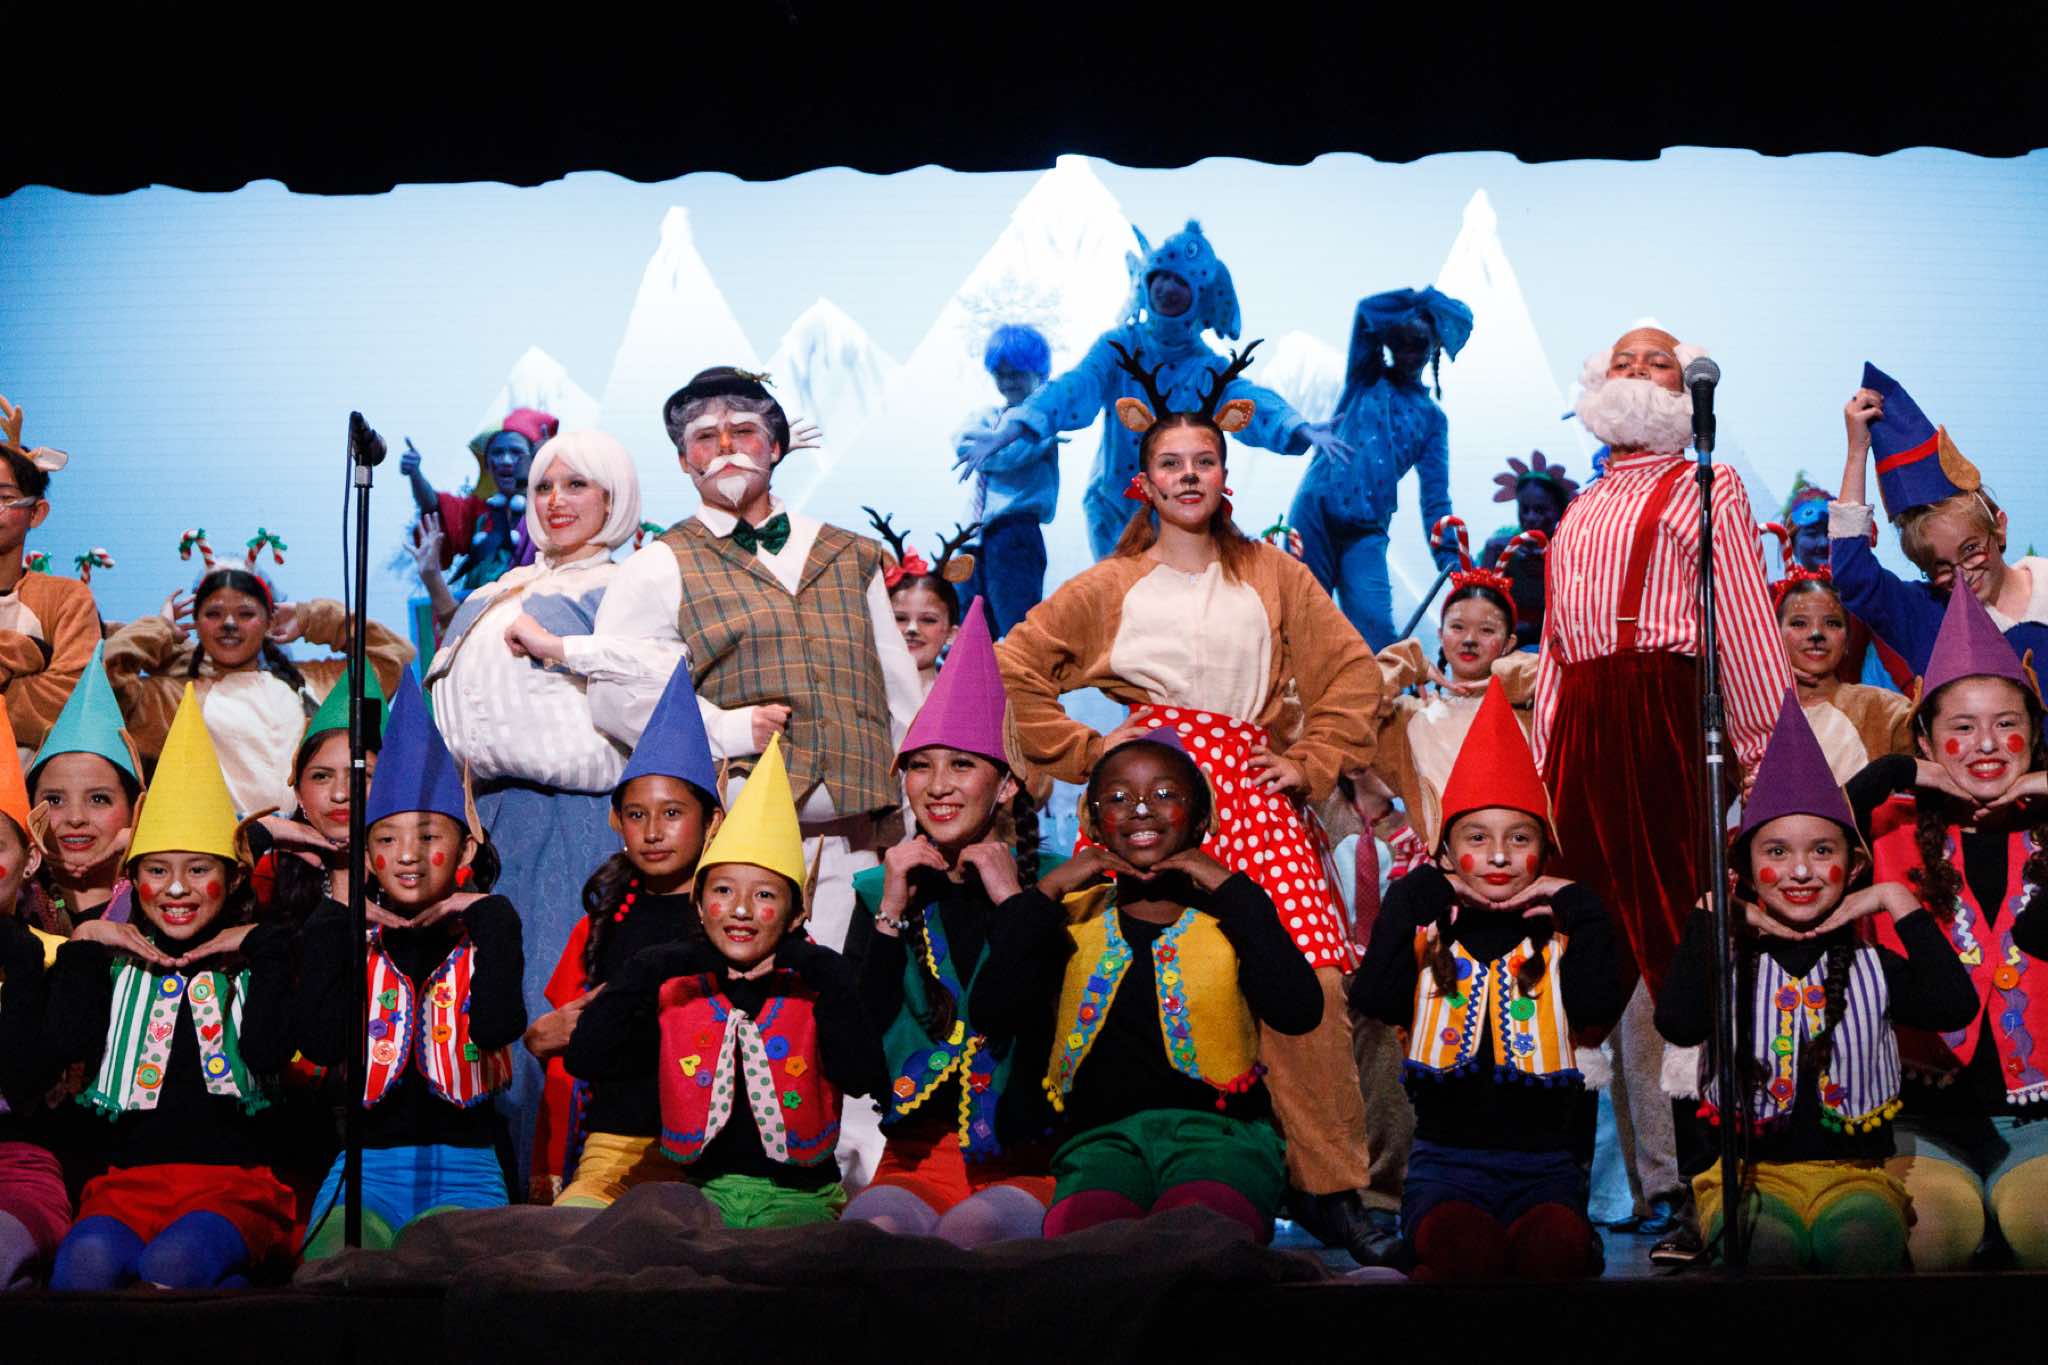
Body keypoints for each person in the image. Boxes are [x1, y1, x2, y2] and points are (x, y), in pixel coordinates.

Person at [995, 341, 1386, 1259]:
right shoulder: (1112, 584)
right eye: (1170, 462)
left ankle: (1329, 1185)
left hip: (1248, 784)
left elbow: (1352, 672)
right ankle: (1111, 1146)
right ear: (1143, 479)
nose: (1188, 475)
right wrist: (1092, 751)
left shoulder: (1273, 573)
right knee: (1117, 957)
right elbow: (1016, 663)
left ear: (1224, 471)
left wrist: (1312, 758)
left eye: (1203, 460)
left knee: (1311, 973)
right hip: (1148, 792)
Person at [1534, 325, 1790, 1262]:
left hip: (1662, 718)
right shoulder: (1582, 503)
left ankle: (1699, 1182)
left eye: (1660, 362)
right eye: (1625, 360)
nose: (1639, 372)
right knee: (1583, 949)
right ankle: (1583, 1185)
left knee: (1675, 946)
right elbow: (1557, 648)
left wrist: (1767, 761)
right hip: (1584, 727)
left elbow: (1744, 625)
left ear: (1686, 391)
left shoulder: (1706, 485)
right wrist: (1541, 765)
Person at [1659, 690, 1977, 1272]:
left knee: (1860, 1244)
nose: (1801, 871)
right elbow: (1679, 1022)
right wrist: (1713, 908)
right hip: (1749, 1180)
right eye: (1777, 852)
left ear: (1852, 867)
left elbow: (1955, 1005)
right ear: (1747, 868)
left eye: (1822, 850)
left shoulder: (1873, 966)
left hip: (1853, 1178)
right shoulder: (1730, 967)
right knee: (1767, 1251)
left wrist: (1893, 897)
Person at [973, 731, 1321, 1242]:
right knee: (1088, 1243)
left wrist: (1228, 884)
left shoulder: (1231, 917)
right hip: (1101, 1143)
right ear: (1094, 822)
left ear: (1201, 819)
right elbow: (991, 1010)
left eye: (1164, 794)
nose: (1140, 809)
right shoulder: (1068, 919)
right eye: (1117, 798)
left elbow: (1299, 1010)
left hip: (1221, 1140)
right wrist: (1050, 887)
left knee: (1196, 1235)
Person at [419, 429, 644, 1180]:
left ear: (614, 497)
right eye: (545, 486)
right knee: (481, 1013)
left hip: (580, 818)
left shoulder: (627, 590)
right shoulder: (495, 591)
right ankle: (495, 1188)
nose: (555, 501)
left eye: (577, 485)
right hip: (488, 820)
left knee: (553, 1004)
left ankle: (561, 1189)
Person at [1350, 680, 1625, 1280]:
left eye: (1519, 839)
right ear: (1447, 850)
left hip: (1547, 1171)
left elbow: (1600, 1001)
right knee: (1466, 1253)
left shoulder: (1561, 937)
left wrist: (1577, 901)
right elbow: (1372, 995)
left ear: (1543, 852)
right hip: (1447, 1170)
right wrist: (1424, 886)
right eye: (1477, 838)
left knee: (1552, 1252)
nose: (1499, 856)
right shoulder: (1430, 931)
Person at [567, 737, 885, 1228]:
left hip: (798, 1200)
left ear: (796, 912)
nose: (739, 909)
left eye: (764, 896)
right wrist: (664, 961)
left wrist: (815, 964)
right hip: (699, 1196)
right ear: (699, 905)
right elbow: (587, 1057)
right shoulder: (679, 993)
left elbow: (864, 1075)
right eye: (722, 890)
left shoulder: (816, 990)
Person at [44, 686, 297, 1290]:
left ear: (232, 878)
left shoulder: (254, 964)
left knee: (174, 1268)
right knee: (80, 1274)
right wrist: (86, 939)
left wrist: (259, 942)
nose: (176, 889)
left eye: (198, 870)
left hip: (231, 1186)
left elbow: (266, 1053)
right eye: (157, 870)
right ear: (133, 878)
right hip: (128, 1187)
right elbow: (64, 1045)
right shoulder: (113, 967)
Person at [840, 602, 1059, 1245]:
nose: (937, 786)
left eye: (961, 765)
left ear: (1006, 785)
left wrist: (1012, 901)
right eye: (920, 765)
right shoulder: (879, 892)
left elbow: (1034, 1017)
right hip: (916, 1158)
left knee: (973, 1236)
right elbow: (855, 1053)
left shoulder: (1059, 887)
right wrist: (890, 914)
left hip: (1027, 1156)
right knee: (867, 1239)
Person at [1848, 585, 2048, 1269]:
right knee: (1929, 1240)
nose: (1986, 744)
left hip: (2040, 1126)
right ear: (1929, 740)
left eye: (2006, 722)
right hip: (1924, 1125)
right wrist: (1899, 770)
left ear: (2035, 735)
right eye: (1961, 726)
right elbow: (1803, 836)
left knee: (2042, 1229)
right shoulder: (1886, 830)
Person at [296, 672, 526, 1258]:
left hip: (466, 1169)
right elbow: (321, 1042)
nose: (406, 856)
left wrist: (492, 913)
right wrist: (337, 920)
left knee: (443, 1265)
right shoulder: (354, 936)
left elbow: (498, 1026)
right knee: (331, 1267)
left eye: (427, 838)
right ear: (366, 851)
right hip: (365, 1169)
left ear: (466, 848)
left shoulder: (483, 935)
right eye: (386, 840)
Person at [958, 222, 1351, 561]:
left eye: (1180, 282)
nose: (1166, 288)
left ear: (1198, 296)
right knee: (1122, 609)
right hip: (1114, 509)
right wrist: (1015, 427)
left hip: (1181, 516)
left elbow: (1250, 402)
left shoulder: (1208, 368)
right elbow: (1075, 387)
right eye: (1161, 276)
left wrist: (1299, 427)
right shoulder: (1120, 347)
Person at [537, 662, 720, 1208]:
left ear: (712, 821)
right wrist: (540, 1037)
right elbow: (559, 1040)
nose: (654, 831)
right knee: (574, 1234)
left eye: (672, 813)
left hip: (713, 1154)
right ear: (617, 821)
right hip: (613, 1149)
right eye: (637, 815)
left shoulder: (734, 921)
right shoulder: (603, 923)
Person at [103, 536, 413, 819]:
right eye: (213, 613)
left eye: (246, 613)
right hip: (219, 855)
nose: (229, 623)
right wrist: (160, 630)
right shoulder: (172, 698)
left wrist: (313, 618)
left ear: (269, 619)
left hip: (315, 850)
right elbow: (107, 686)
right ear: (196, 622)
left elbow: (392, 657)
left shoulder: (313, 684)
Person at [1832, 363, 2048, 674]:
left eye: (1970, 550)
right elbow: (1853, 576)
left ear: (1999, 527)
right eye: (1941, 567)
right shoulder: (1928, 617)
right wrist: (1857, 451)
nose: (1962, 575)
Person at [1288, 287, 1474, 649]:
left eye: (1418, 343)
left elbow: (1435, 498)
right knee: (1300, 616)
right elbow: (1366, 309)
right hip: (1317, 510)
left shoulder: (1432, 419)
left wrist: (1450, 557)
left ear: (1433, 345)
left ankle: (1379, 688)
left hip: (1367, 526)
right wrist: (1416, 299)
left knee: (1375, 630)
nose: (1408, 352)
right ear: (1389, 341)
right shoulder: (1366, 377)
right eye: (1400, 341)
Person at [1366, 517, 1543, 851]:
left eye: (1487, 630)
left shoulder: (1529, 712)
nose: (1470, 639)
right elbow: (1355, 701)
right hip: (1438, 866)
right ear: (1441, 634)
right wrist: (1409, 661)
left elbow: (1557, 682)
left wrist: (1505, 676)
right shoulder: (1411, 718)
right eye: (1458, 627)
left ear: (1509, 642)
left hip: (1516, 862)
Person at [0, 703, 70, 1288]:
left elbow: (26, 1086)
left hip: (15, 1169)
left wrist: (17, 956)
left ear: (29, 861)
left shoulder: (54, 959)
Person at [0, 396, 101, 760]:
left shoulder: (67, 599)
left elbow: (72, 701)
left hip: (35, 790)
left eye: (3, 497)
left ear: (36, 513)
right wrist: (28, 654)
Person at [20, 643, 142, 938]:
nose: (75, 818)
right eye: (54, 800)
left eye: (99, 799)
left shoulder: (166, 901)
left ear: (134, 808)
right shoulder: (12, 899)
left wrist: (148, 845)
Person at [1764, 542, 1911, 785]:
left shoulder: (1886, 711)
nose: (1816, 634)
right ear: (1774, 635)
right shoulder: (1756, 713)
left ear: (1847, 639)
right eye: (1799, 623)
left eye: (1832, 623)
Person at [953, 324, 1061, 637]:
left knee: (1016, 627)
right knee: (970, 625)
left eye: (1017, 374)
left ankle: (1019, 671)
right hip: (974, 535)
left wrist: (989, 448)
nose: (1008, 382)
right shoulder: (988, 415)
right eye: (1001, 375)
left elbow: (1010, 456)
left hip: (1014, 531)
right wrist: (990, 446)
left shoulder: (1040, 424)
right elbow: (962, 443)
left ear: (1039, 373)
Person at [402, 409, 559, 597]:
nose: (506, 460)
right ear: (487, 464)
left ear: (533, 459)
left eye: (516, 452)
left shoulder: (555, 508)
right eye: (497, 452)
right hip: (479, 610)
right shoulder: (480, 513)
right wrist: (415, 474)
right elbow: (435, 509)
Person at [864, 508, 978, 698]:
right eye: (899, 618)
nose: (912, 629)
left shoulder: (965, 699)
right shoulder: (859, 696)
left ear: (952, 634)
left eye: (928, 620)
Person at [1481, 451, 1579, 653]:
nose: (1531, 517)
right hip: (1505, 641)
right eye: (1525, 509)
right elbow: (1482, 601)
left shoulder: (1570, 549)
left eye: (1541, 510)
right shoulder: (1502, 545)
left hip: (1552, 644)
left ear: (1559, 511)